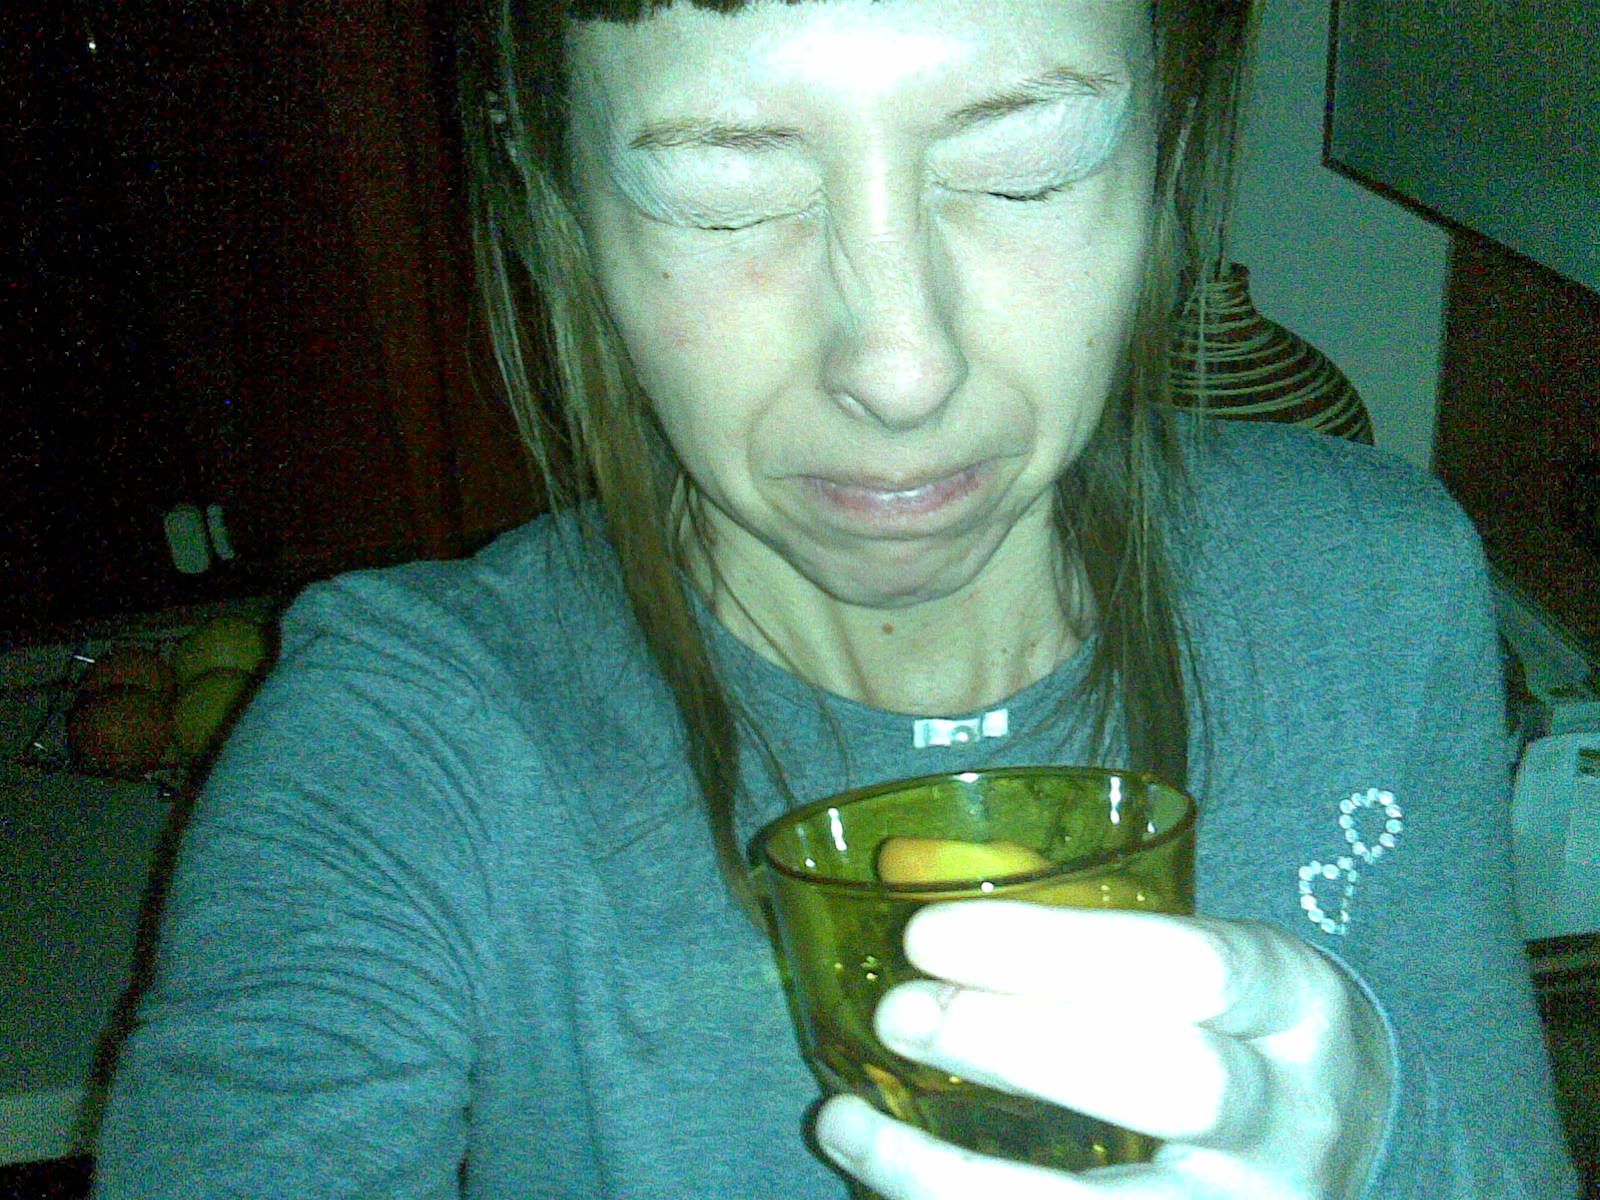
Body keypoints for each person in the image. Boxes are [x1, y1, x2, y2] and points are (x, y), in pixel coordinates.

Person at [91, 0, 1578, 1196]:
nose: (900, 369)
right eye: (723, 195)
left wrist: (1379, 1148)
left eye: (1029, 167)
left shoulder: (1376, 584)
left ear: (1164, 162)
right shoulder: (399, 740)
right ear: (563, 209)